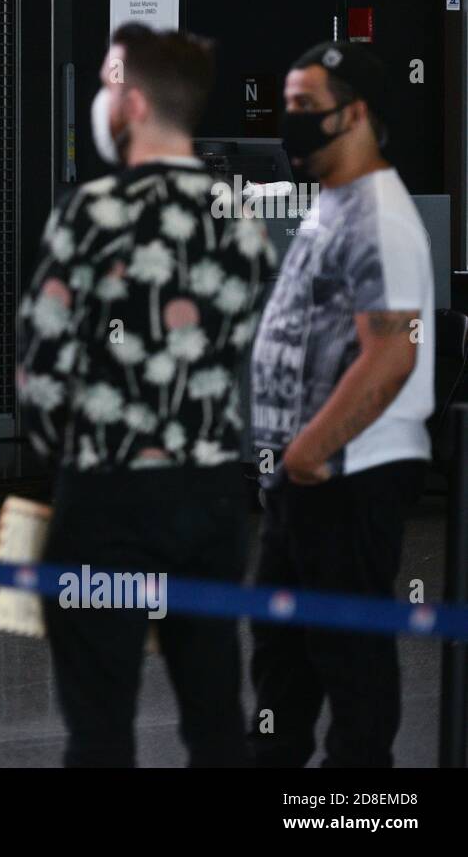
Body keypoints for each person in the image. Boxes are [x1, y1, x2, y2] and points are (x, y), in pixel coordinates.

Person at [17, 23, 272, 766]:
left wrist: (64, 455)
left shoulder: (89, 211)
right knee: (215, 711)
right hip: (213, 497)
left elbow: (42, 366)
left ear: (130, 102)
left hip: (108, 495)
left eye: (105, 83)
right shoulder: (241, 219)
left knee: (99, 722)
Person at [248, 42, 432, 767]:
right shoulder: (334, 202)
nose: (289, 123)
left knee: (349, 670)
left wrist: (308, 449)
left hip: (347, 478)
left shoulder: (380, 218)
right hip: (306, 481)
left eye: (305, 108)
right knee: (282, 669)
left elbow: (393, 351)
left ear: (355, 114)